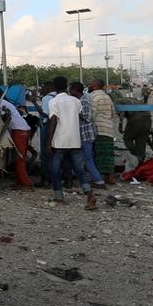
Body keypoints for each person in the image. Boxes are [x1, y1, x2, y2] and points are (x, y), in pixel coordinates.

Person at [46, 76, 97, 210]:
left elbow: (52, 123)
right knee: (79, 170)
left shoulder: (53, 102)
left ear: (54, 87)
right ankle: (89, 194)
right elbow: (79, 116)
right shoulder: (75, 101)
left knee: (55, 170)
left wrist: (48, 143)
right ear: (66, 86)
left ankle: (59, 197)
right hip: (75, 141)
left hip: (60, 141)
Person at [0, 87, 33, 191]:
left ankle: (27, 184)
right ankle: (20, 182)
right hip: (23, 130)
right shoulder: (4, 102)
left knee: (19, 159)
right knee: (19, 158)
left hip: (19, 131)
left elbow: (2, 118)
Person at [69, 82, 106, 189]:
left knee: (87, 159)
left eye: (70, 90)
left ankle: (99, 181)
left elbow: (86, 116)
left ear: (75, 90)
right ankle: (86, 180)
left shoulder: (83, 102)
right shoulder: (82, 100)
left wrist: (72, 112)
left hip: (85, 135)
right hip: (85, 135)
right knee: (83, 159)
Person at [88, 79, 117, 184]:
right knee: (108, 154)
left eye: (90, 84)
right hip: (108, 129)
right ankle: (110, 177)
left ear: (95, 86)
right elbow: (113, 113)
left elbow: (91, 115)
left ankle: (98, 178)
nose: (89, 85)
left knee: (98, 154)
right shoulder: (107, 97)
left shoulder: (94, 97)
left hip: (98, 129)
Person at [118, 97, 152, 168]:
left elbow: (122, 113)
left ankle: (136, 155)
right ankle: (141, 161)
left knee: (127, 139)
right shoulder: (134, 99)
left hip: (136, 119)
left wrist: (120, 125)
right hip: (148, 118)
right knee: (141, 140)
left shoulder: (117, 101)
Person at [33, 82, 56, 187]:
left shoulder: (47, 98)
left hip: (47, 127)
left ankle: (45, 180)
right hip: (58, 128)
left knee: (45, 154)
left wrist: (34, 102)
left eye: (42, 87)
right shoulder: (57, 97)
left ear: (48, 87)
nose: (41, 90)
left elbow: (45, 114)